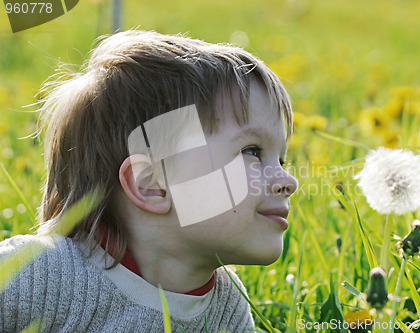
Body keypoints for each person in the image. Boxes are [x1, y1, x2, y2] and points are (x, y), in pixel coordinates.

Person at [0, 29, 298, 332]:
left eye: (282, 159)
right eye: (252, 152)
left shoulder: (227, 310)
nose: (288, 180)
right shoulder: (40, 275)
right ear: (151, 183)